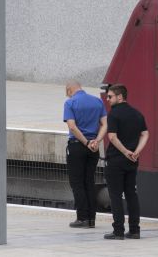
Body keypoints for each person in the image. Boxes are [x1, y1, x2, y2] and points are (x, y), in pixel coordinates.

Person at [104, 84, 149, 240]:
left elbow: (112, 137)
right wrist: (136, 151)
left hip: (116, 160)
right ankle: (135, 230)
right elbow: (145, 134)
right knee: (131, 194)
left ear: (120, 97)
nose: (107, 99)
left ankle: (118, 231)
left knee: (115, 195)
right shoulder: (137, 114)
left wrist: (124, 151)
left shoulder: (114, 114)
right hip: (132, 161)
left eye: (110, 96)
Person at [63, 80, 107, 229]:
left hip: (77, 146)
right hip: (94, 148)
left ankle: (82, 218)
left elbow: (72, 127)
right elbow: (105, 124)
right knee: (89, 181)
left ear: (69, 90)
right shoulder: (97, 101)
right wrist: (96, 141)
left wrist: (86, 142)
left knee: (77, 183)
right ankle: (92, 219)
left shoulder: (70, 103)